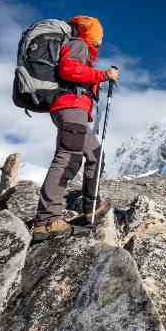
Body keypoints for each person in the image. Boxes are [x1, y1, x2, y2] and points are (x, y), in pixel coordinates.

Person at [32, 15, 119, 240]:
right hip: (70, 107)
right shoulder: (79, 44)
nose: (100, 42)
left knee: (95, 154)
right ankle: (47, 220)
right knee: (68, 157)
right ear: (91, 35)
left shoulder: (82, 49)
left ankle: (91, 206)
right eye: (98, 37)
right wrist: (102, 75)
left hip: (75, 110)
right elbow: (68, 70)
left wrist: (97, 79)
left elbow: (76, 73)